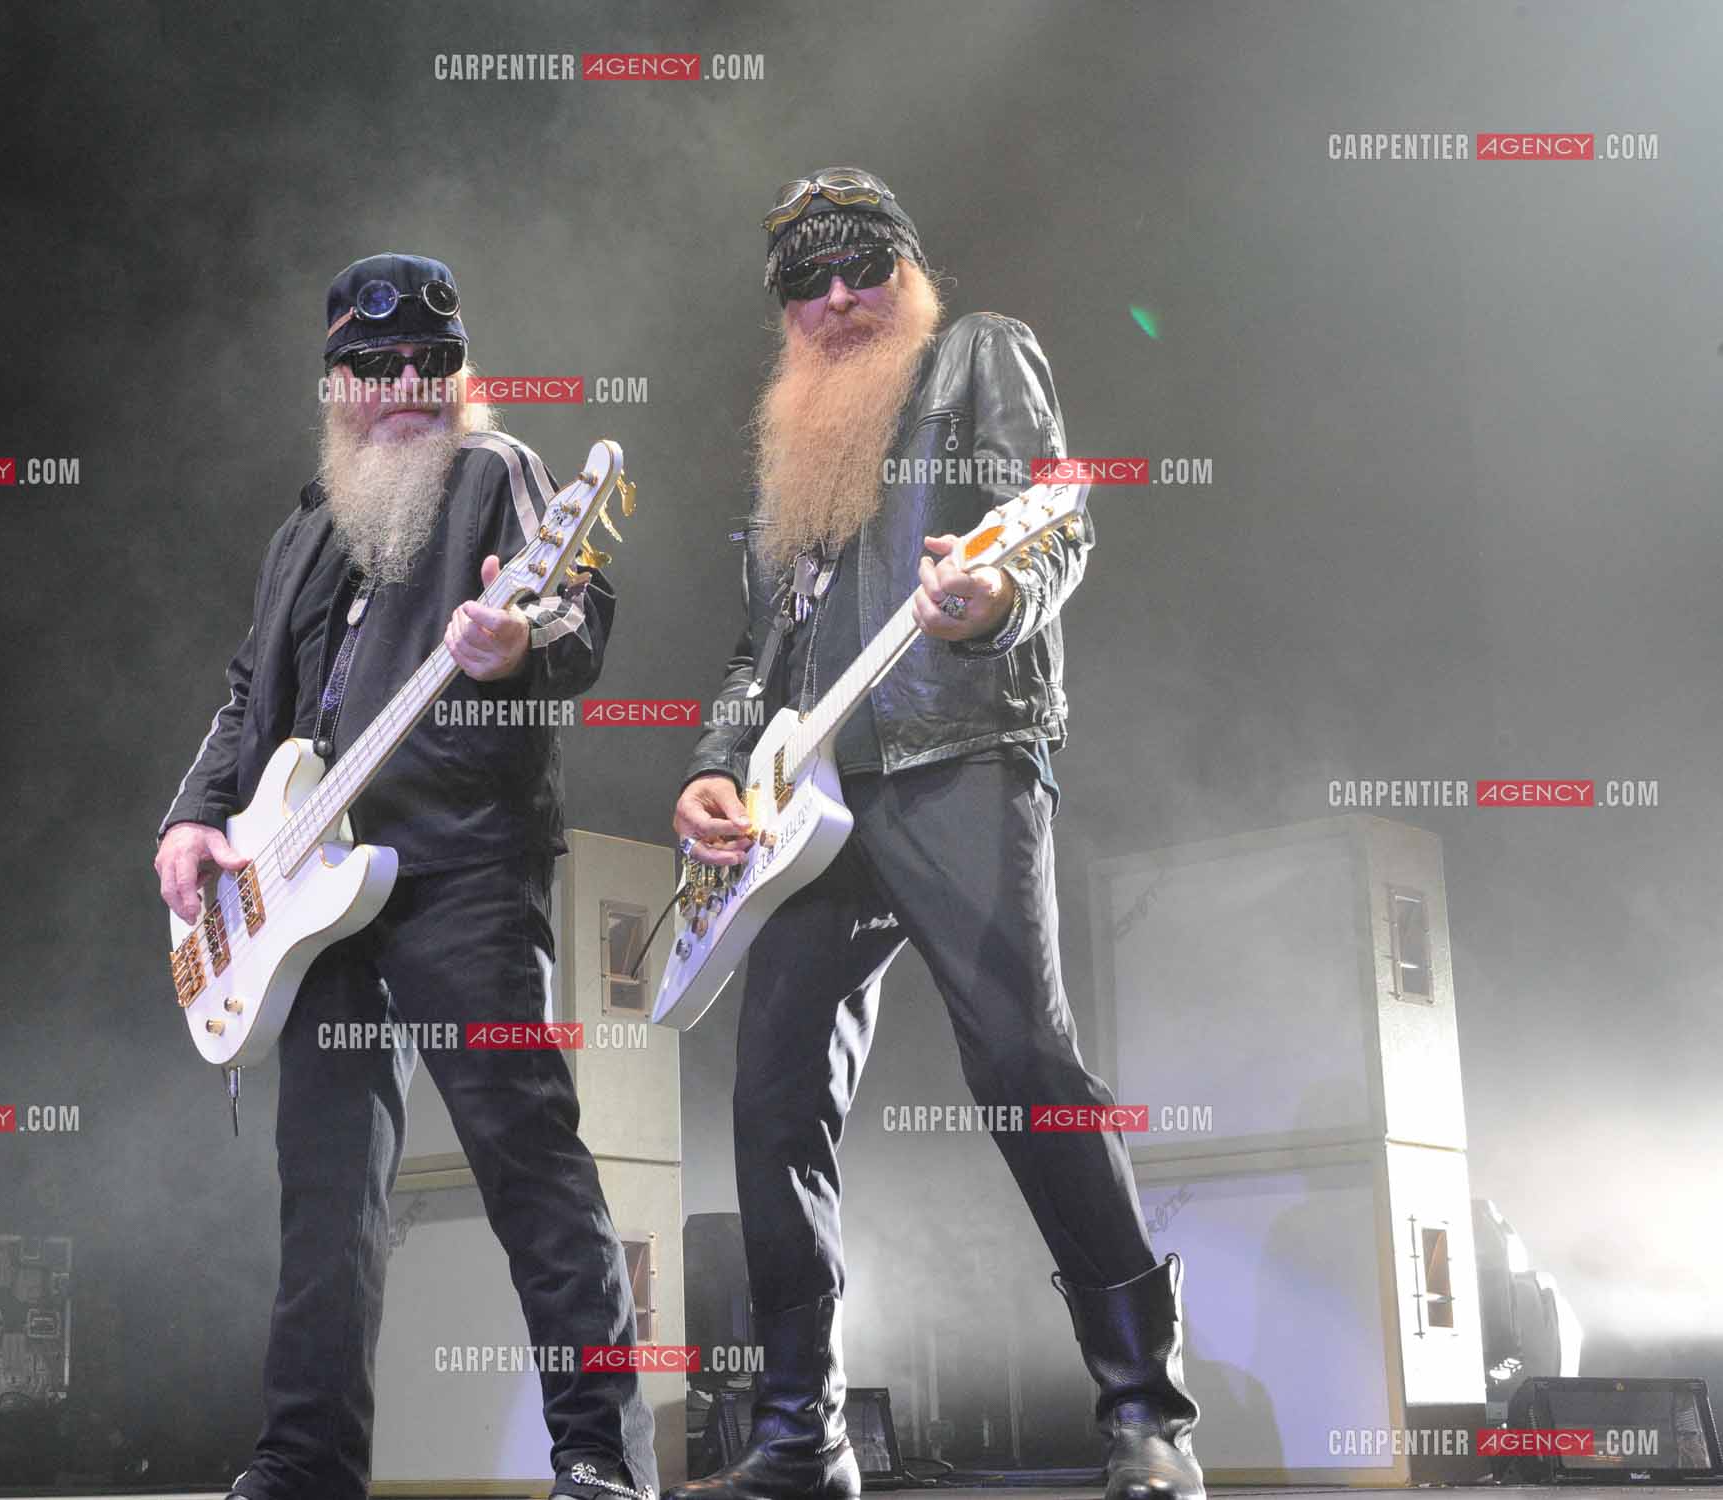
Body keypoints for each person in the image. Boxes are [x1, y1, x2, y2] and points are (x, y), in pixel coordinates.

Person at [666, 173, 1203, 1500]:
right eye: (808, 282)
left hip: (954, 755)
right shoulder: (791, 445)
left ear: (909, 273)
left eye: (865, 268)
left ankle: (1148, 1413)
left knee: (1022, 1060)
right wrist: (715, 768)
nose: (839, 297)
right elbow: (754, 652)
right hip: (807, 812)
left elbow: (1053, 522)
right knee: (770, 1103)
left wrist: (995, 596)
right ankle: (801, 1435)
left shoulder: (977, 356)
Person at [157, 252, 656, 1500]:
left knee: (524, 1151)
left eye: (433, 362)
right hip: (305, 894)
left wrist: (514, 641)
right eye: (375, 366)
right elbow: (245, 699)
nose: (406, 386)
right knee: (325, 1190)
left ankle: (599, 1453)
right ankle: (303, 1459)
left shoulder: (497, 473)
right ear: (335, 382)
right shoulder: (302, 530)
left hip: (460, 860)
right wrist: (194, 819)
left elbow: (579, 612)